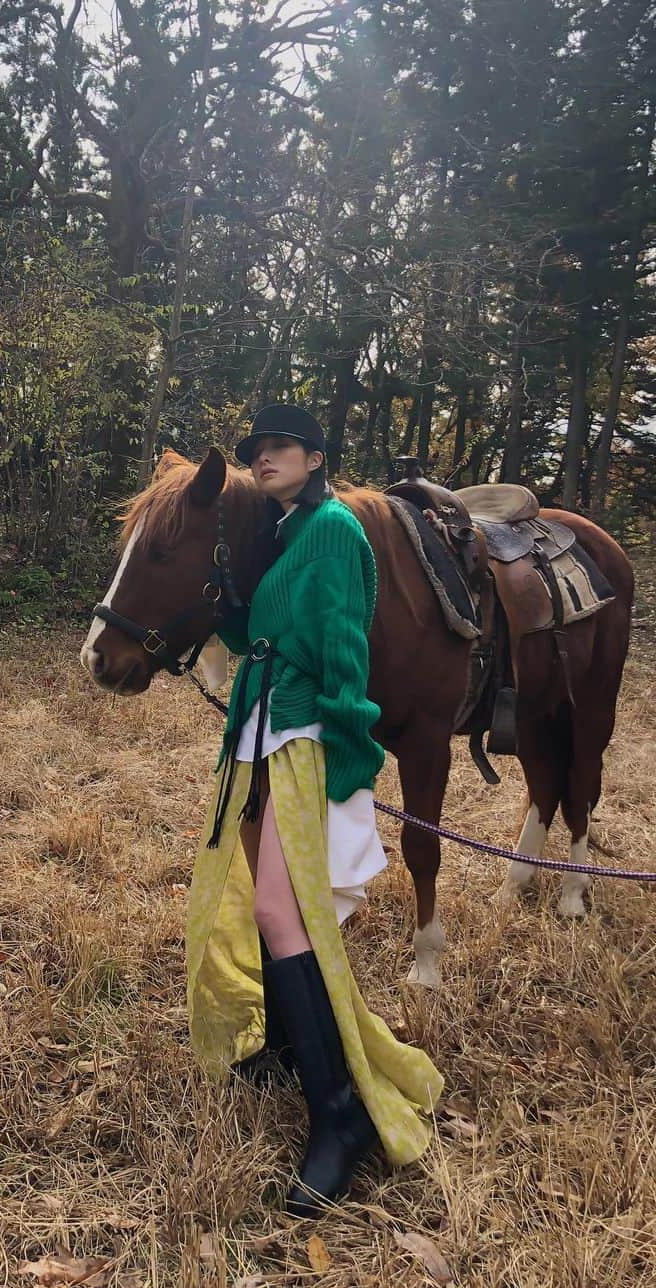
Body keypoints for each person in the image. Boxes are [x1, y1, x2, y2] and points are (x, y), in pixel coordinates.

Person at [185, 404, 443, 1217]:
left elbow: (343, 648)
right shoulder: (287, 532)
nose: (263, 458)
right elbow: (268, 632)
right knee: (267, 910)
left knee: (279, 909)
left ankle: (341, 1115)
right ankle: (296, 1050)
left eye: (279, 447)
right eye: (257, 450)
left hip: (304, 736)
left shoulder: (331, 529)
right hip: (262, 730)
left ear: (316, 456)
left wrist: (352, 756)